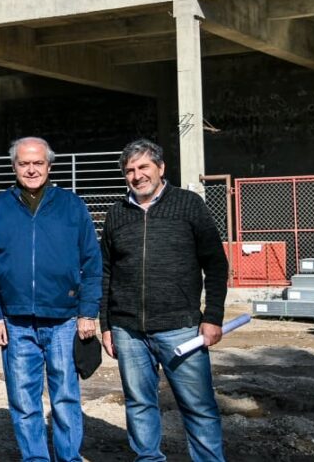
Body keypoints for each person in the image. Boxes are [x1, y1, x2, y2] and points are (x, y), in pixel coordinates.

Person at [100, 139, 229, 462]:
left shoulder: (188, 205)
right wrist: (106, 325)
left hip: (181, 329)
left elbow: (215, 263)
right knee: (139, 404)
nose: (137, 175)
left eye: (143, 167)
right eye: (129, 170)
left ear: (160, 168)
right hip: (128, 330)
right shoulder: (117, 214)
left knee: (198, 406)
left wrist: (212, 316)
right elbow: (104, 273)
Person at [0, 136, 102, 462]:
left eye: (37, 163)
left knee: (65, 397)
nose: (31, 169)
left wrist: (87, 310)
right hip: (14, 322)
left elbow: (92, 261)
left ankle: (68, 458)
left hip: (63, 319)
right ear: (14, 166)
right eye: (24, 163)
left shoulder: (71, 205)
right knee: (23, 400)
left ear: (48, 165)